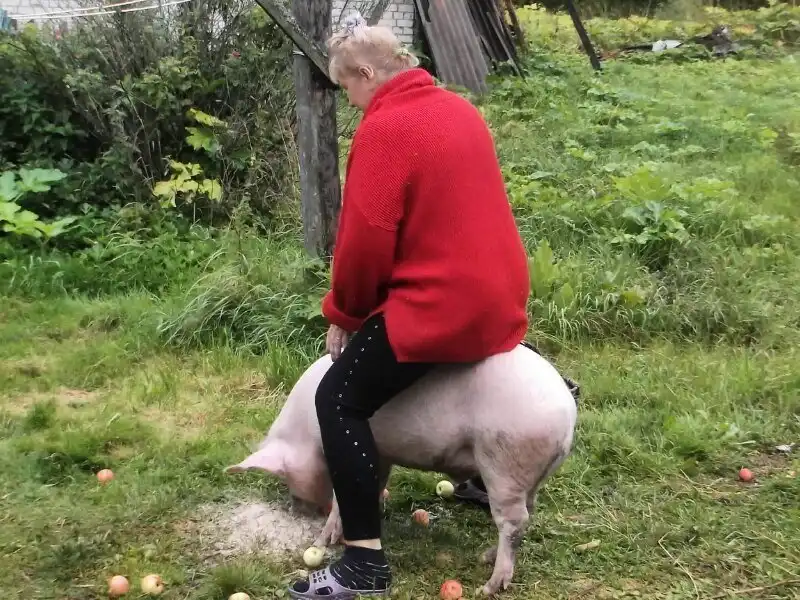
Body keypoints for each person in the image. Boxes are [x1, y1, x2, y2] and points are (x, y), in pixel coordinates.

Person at [288, 12, 531, 600]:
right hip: (499, 299)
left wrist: (345, 313)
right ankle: (482, 477)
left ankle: (362, 564)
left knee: (337, 398)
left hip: (443, 305)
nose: (349, 101)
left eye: (345, 85)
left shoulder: (386, 127)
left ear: (366, 73)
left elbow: (365, 242)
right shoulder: (460, 109)